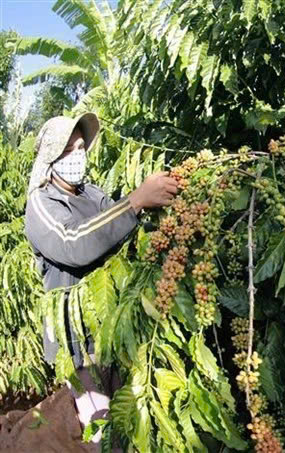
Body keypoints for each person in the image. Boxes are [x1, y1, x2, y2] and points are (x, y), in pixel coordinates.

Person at [24, 113, 178, 450]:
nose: (77, 154)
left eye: (80, 146)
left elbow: (121, 232)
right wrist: (135, 200)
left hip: (111, 328)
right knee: (102, 426)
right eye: (67, 149)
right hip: (77, 343)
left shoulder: (91, 193)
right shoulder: (41, 203)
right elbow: (74, 243)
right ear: (51, 156)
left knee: (129, 416)